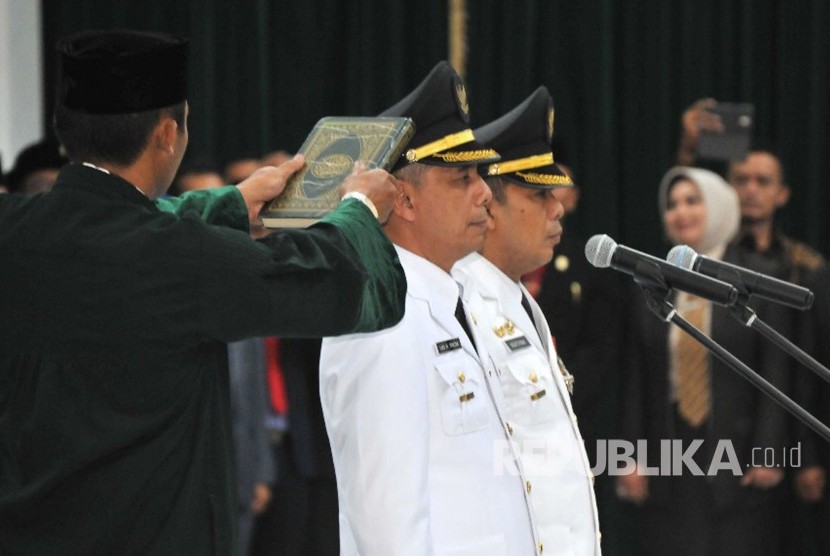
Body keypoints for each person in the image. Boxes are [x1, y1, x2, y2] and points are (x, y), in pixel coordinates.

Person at [0, 29, 406, 555]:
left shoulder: (14, 227)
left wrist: (229, 205)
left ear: (63, 128)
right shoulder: (184, 255)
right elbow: (330, 281)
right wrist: (360, 208)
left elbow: (112, 221)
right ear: (168, 134)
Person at [320, 61, 546, 554]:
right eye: (462, 177)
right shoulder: (381, 315)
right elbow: (386, 521)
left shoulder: (450, 302)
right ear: (403, 200)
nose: (485, 192)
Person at [452, 86, 601, 554]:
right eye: (539, 194)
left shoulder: (518, 300)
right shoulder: (457, 309)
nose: (558, 207)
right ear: (489, 207)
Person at [616, 166, 791, 555]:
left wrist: (769, 451)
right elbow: (636, 379)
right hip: (670, 453)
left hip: (740, 457)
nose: (680, 212)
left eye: (692, 201)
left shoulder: (758, 279)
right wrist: (629, 457)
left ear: (719, 207)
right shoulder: (650, 282)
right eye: (672, 204)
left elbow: (775, 374)